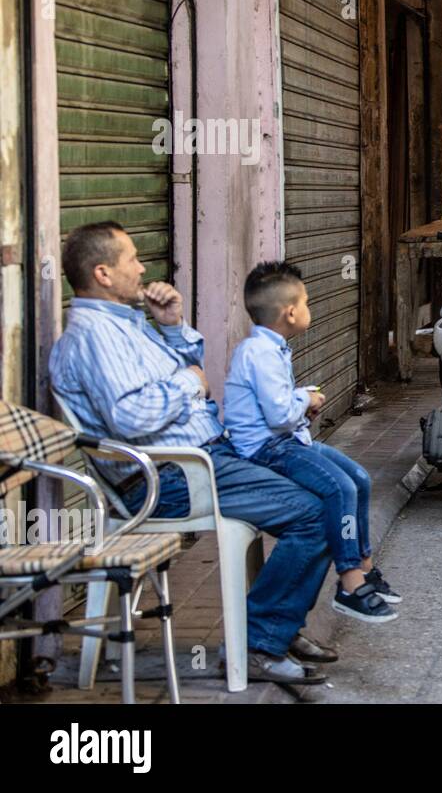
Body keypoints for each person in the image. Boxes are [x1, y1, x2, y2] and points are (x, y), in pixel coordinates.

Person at [49, 222, 335, 684]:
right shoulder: (93, 337)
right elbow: (131, 416)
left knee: (330, 493)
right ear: (102, 273)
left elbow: (184, 366)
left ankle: (279, 626)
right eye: (132, 260)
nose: (143, 268)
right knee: (317, 513)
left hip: (203, 459)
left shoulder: (127, 324)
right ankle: (259, 642)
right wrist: (189, 383)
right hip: (170, 478)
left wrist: (174, 326)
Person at [223, 261, 401, 624]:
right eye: (306, 302)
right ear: (290, 312)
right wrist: (305, 401)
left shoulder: (271, 349)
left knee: (359, 480)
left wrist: (301, 401)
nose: (309, 309)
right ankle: (350, 582)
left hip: (288, 441)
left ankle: (364, 568)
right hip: (269, 450)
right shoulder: (258, 353)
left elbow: (278, 407)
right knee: (339, 489)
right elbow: (278, 416)